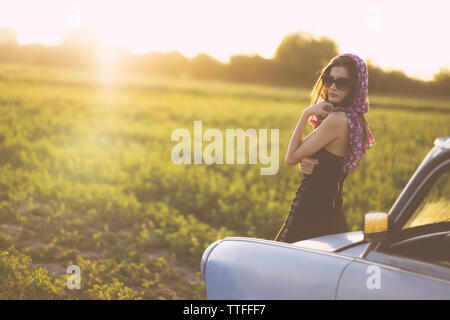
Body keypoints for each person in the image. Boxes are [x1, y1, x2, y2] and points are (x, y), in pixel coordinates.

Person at [274, 53, 376, 243]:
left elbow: (290, 157)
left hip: (309, 208)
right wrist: (306, 163)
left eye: (342, 82)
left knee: (278, 265)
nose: (333, 87)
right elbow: (330, 165)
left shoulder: (337, 120)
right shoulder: (356, 120)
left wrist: (305, 114)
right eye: (329, 80)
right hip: (332, 209)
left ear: (355, 87)